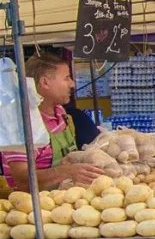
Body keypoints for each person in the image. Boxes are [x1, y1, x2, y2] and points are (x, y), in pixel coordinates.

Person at [2, 51, 103, 191]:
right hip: (34, 206)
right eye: (66, 78)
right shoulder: (22, 124)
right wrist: (67, 171)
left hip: (67, 199)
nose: (72, 84)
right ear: (45, 82)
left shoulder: (61, 113)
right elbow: (22, 179)